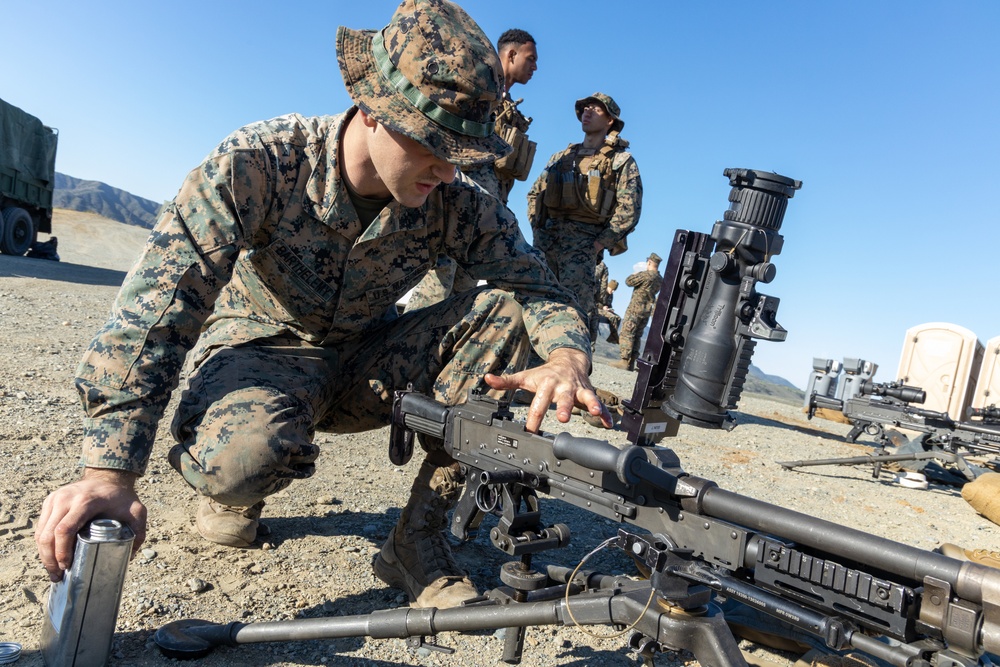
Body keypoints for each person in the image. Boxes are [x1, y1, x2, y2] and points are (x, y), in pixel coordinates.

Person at [34, 0, 610, 612]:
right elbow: (157, 307)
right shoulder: (261, 163)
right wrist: (109, 474)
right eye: (431, 144)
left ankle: (415, 539)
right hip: (265, 349)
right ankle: (232, 483)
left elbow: (537, 289)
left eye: (461, 153)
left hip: (369, 358)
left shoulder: (456, 198)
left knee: (507, 313)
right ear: (371, 109)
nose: (445, 170)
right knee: (246, 460)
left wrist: (567, 357)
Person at [404, 28, 539, 312]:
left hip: (483, 212)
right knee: (439, 278)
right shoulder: (474, 84)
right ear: (511, 54)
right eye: (531, 58)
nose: (535, 67)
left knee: (464, 286)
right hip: (455, 199)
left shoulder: (510, 107)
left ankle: (439, 352)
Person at [526, 92, 641, 340]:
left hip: (582, 246)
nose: (587, 112)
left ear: (610, 120)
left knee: (575, 312)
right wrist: (538, 230)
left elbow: (629, 209)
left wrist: (598, 244)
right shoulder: (562, 157)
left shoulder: (621, 161)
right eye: (585, 108)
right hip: (547, 242)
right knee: (535, 305)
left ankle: (575, 367)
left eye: (596, 109)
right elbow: (535, 194)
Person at [612, 253, 662, 371]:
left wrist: (636, 274)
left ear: (649, 262)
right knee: (637, 335)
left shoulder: (645, 275)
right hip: (646, 311)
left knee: (627, 333)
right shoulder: (660, 279)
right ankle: (632, 362)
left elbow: (629, 281)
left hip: (635, 309)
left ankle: (624, 360)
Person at [590, 253, 620, 345]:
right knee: (611, 317)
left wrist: (609, 309)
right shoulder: (599, 289)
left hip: (604, 310)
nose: (613, 291)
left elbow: (609, 305)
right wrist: (602, 308)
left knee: (617, 318)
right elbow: (593, 300)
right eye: (612, 289)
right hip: (596, 308)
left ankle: (613, 337)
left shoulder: (610, 295)